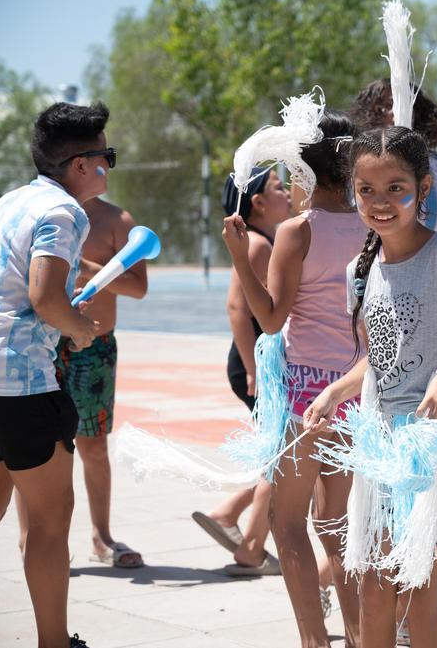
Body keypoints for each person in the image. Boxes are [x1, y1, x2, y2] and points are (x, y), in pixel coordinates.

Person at [303, 125, 437, 648]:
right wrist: (335, 391)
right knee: (373, 583)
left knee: (416, 587)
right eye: (366, 190)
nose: (379, 202)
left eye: (395, 188)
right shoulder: (360, 268)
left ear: (423, 189)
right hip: (379, 443)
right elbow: (379, 359)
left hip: (434, 446)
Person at [0, 101, 108, 648]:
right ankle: (54, 643)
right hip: (18, 388)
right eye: (107, 156)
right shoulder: (64, 212)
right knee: (51, 521)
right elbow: (44, 297)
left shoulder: (5, 204)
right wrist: (78, 328)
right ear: (79, 164)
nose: (108, 166)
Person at [221, 112, 368, 648]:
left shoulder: (296, 231)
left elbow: (272, 319)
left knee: (288, 524)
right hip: (353, 390)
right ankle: (358, 637)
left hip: (305, 392)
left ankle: (314, 641)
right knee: (338, 528)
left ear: (302, 168)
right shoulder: (373, 226)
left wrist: (241, 260)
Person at [12, 189, 149, 569]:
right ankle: (29, 538)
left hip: (95, 350)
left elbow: (138, 287)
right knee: (38, 448)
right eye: (97, 159)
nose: (103, 169)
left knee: (94, 446)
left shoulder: (118, 220)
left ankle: (102, 538)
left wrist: (89, 269)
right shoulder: (39, 213)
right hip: (45, 343)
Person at [191, 167, 292, 576]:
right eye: (279, 187)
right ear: (258, 203)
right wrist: (254, 370)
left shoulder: (264, 242)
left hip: (262, 364)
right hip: (256, 365)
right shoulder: (256, 245)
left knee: (282, 451)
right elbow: (238, 309)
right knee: (283, 452)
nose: (287, 193)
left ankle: (240, 528)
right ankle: (242, 532)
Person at [350, 79, 437, 248]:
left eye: (403, 104)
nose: (394, 112)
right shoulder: (353, 166)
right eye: (386, 106)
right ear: (370, 112)